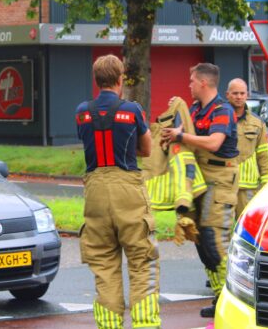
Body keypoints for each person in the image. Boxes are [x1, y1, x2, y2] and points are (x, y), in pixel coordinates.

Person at [75, 54, 159, 329]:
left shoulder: (82, 112)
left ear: (96, 80)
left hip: (95, 193)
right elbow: (146, 149)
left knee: (104, 267)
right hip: (127, 190)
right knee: (141, 261)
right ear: (120, 79)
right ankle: (145, 325)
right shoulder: (132, 110)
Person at [161, 63, 239, 319]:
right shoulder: (195, 109)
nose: (189, 85)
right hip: (200, 181)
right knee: (202, 244)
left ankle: (236, 301)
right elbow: (185, 132)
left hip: (220, 181)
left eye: (191, 81)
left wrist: (181, 137)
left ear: (204, 83)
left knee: (215, 244)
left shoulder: (222, 110)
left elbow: (215, 142)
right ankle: (220, 298)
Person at [225, 78, 268, 218]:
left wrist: (266, 183)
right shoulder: (219, 118)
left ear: (247, 95)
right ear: (227, 94)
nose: (239, 97)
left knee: (247, 229)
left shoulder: (257, 123)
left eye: (242, 93)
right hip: (223, 185)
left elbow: (264, 155)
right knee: (221, 231)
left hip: (248, 188)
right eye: (235, 93)